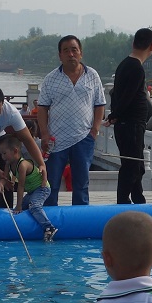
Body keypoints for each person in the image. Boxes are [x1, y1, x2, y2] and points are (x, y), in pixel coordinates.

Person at [38, 35, 106, 206]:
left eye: (74, 50)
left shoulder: (92, 75)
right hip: (56, 140)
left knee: (81, 185)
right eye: (66, 51)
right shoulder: (50, 79)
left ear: (80, 53)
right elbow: (42, 108)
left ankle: (80, 219)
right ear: (60, 55)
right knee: (51, 184)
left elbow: (99, 104)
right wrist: (44, 134)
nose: (70, 54)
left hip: (83, 138)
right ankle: (49, 218)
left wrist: (94, 130)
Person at [110, 27, 152, 204]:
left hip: (127, 124)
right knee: (132, 166)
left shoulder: (124, 64)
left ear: (133, 43)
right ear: (151, 47)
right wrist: (114, 115)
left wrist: (114, 115)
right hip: (132, 124)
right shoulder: (137, 68)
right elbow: (127, 97)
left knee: (137, 165)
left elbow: (117, 94)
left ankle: (138, 198)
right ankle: (122, 202)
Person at [0, 135, 55, 241]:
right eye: (1, 154)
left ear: (15, 151)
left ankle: (49, 227)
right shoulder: (8, 164)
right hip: (32, 191)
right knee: (23, 208)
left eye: (4, 153)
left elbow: (20, 186)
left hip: (41, 188)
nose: (2, 157)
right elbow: (5, 178)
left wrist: (18, 206)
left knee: (34, 206)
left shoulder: (22, 165)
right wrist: (2, 183)